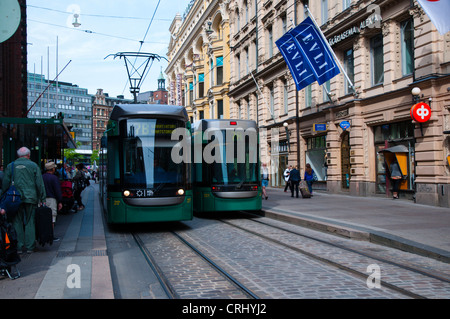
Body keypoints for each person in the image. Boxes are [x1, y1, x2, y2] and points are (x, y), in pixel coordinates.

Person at [1, 147, 46, 254]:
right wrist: (42, 198)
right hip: (31, 197)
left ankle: (19, 246)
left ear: (18, 155)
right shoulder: (34, 166)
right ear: (29, 155)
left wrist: (3, 195)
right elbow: (39, 184)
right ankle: (30, 246)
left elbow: (5, 183)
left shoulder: (10, 166)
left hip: (14, 198)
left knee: (17, 221)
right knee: (30, 221)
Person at [42, 162, 62, 241]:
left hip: (42, 199)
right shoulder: (54, 178)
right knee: (52, 218)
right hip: (51, 199)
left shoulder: (41, 177)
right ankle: (50, 236)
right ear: (53, 169)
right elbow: (57, 191)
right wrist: (60, 201)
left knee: (43, 217)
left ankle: (43, 235)